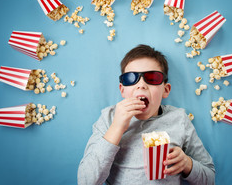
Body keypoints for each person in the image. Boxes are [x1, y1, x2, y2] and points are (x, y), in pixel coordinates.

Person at [78, 44, 215, 185]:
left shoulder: (179, 119)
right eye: (130, 78)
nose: (141, 85)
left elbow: (210, 179)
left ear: (165, 90)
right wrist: (116, 127)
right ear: (122, 90)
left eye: (152, 78)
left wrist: (187, 164)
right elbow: (86, 181)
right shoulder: (109, 118)